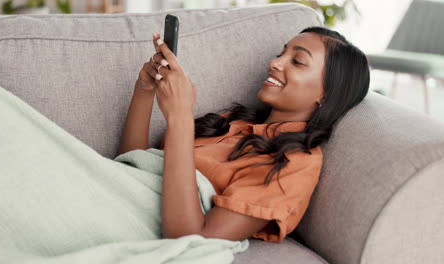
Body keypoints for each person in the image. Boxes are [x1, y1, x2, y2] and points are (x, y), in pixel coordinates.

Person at [118, 26, 370, 243]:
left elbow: (192, 240)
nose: (275, 63)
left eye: (297, 62)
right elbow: (131, 166)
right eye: (281, 53)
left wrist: (180, 116)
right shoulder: (231, 122)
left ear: (325, 95)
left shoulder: (296, 162)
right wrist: (145, 89)